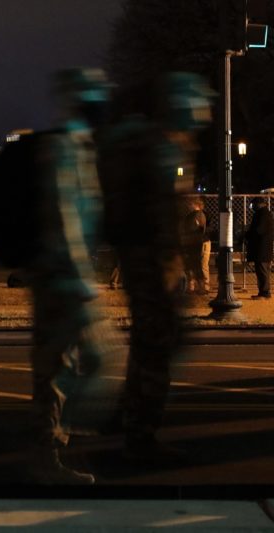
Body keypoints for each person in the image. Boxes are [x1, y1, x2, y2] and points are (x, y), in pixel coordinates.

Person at [100, 72, 215, 463]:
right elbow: (160, 210)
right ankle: (140, 435)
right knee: (158, 345)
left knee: (152, 343)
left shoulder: (157, 143)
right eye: (199, 101)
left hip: (147, 259)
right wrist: (169, 259)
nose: (205, 110)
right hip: (152, 261)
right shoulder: (162, 147)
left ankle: (126, 415)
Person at [25, 68, 114, 485]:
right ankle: (47, 452)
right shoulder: (62, 148)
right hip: (61, 279)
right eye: (95, 93)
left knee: (83, 362)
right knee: (62, 368)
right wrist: (81, 279)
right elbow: (63, 218)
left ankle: (60, 430)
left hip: (68, 277)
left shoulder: (79, 145)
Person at [245, 197, 274, 299]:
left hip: (263, 248)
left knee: (262, 270)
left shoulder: (264, 214)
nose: (252, 207)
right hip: (261, 248)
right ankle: (262, 292)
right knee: (261, 270)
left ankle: (265, 293)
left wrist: (248, 235)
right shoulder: (261, 214)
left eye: (253, 204)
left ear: (260, 204)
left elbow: (259, 230)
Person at [181, 197, 208, 294]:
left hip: (193, 243)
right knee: (194, 265)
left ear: (196, 205)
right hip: (194, 242)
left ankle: (199, 287)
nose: (189, 206)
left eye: (191, 204)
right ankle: (196, 287)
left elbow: (195, 228)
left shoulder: (197, 215)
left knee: (195, 265)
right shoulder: (197, 215)